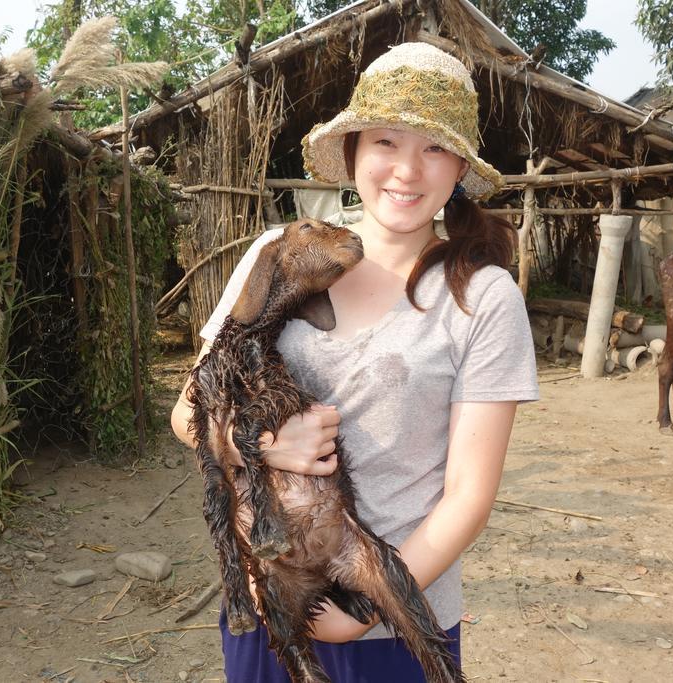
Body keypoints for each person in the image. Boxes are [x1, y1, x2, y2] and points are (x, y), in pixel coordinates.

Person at [170, 42, 539, 682]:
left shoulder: (481, 297)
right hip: (272, 599)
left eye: (434, 148)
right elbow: (186, 412)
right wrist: (255, 444)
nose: (407, 170)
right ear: (352, 153)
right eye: (386, 143)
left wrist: (362, 609)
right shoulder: (278, 253)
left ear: (459, 169)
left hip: (397, 616)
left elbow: (468, 497)